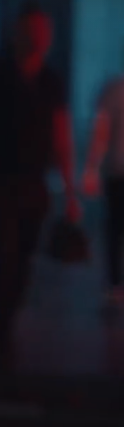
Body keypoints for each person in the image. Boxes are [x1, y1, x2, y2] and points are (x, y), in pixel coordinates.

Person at [0, 5, 80, 373]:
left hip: (34, 182)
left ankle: (7, 320)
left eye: (43, 32)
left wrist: (70, 191)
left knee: (23, 259)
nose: (39, 39)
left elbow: (61, 135)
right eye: (33, 32)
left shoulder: (50, 81)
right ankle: (1, 331)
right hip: (2, 180)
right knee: (5, 255)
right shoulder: (0, 77)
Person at [82, 57, 124, 309]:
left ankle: (115, 283)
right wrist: (92, 168)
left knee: (114, 228)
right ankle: (115, 282)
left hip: (117, 170)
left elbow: (101, 129)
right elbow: (102, 129)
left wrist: (92, 168)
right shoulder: (114, 89)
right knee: (114, 228)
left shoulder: (113, 89)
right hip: (117, 170)